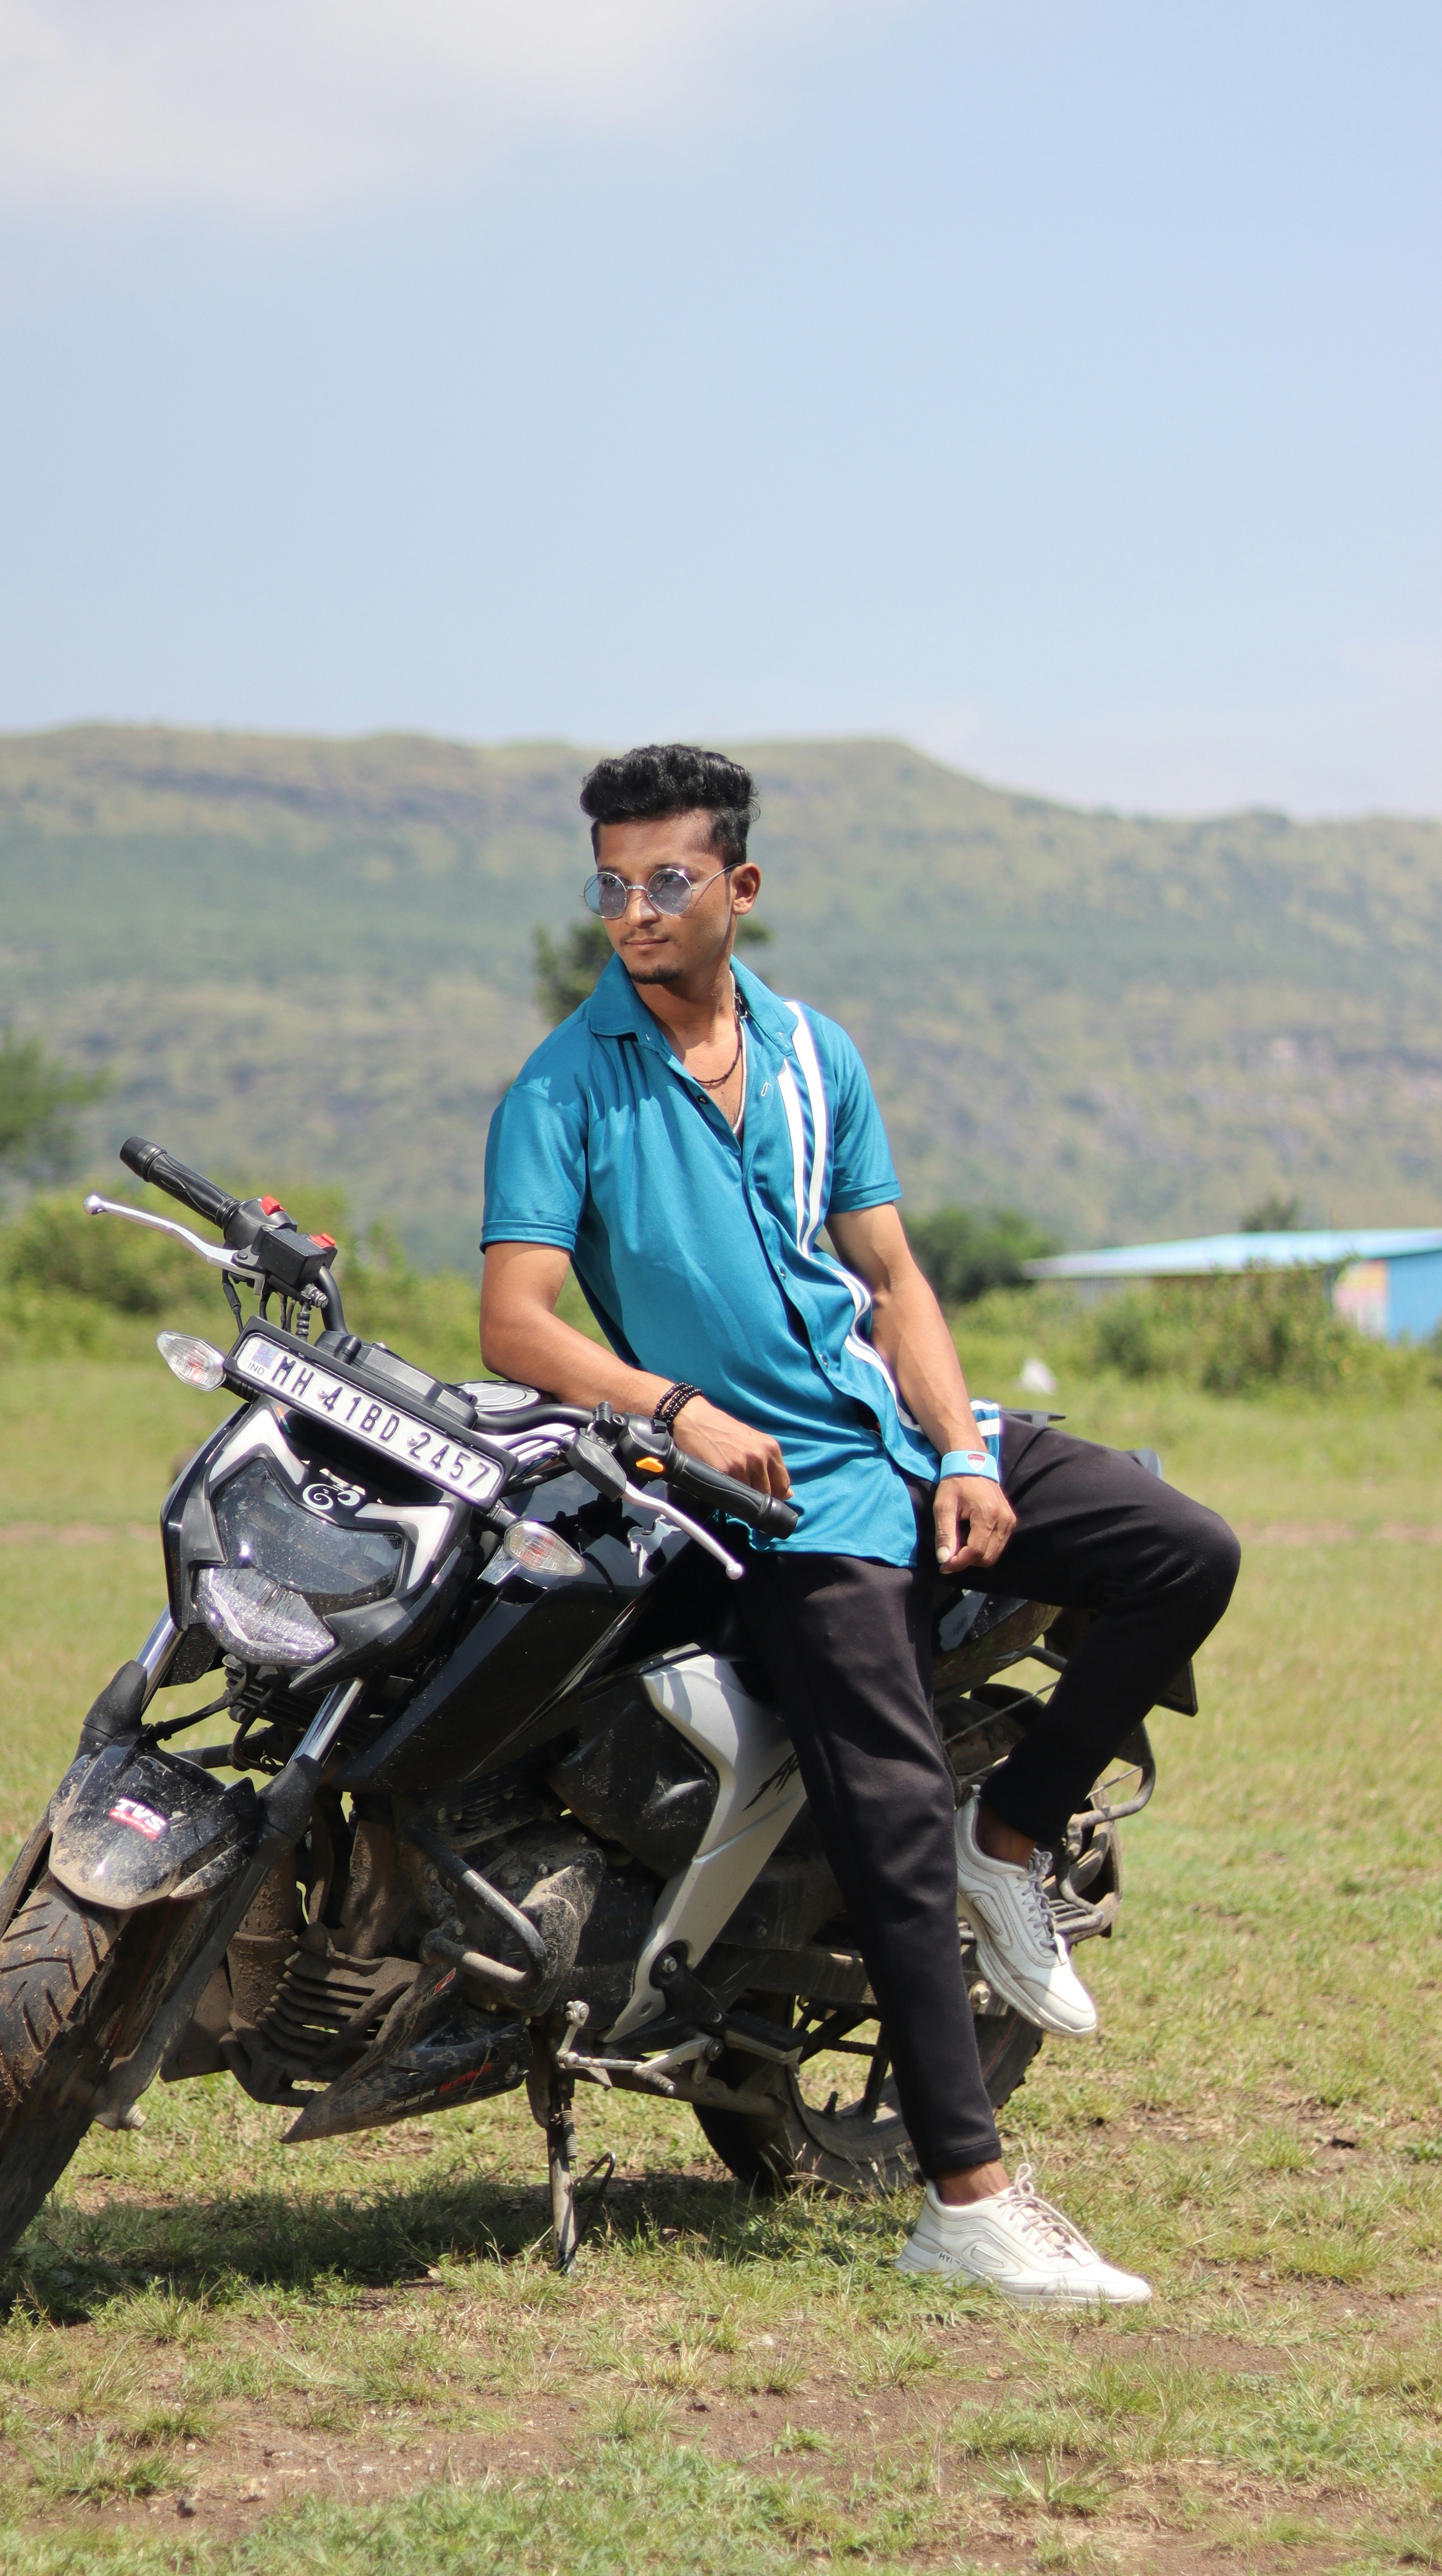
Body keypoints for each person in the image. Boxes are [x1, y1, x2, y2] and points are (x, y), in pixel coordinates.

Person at [479, 742, 1240, 2305]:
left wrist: (963, 1451)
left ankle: (1013, 1833)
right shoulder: (564, 1085)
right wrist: (677, 1411)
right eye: (612, 885)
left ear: (739, 888)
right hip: (762, 1501)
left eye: (667, 880)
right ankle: (967, 2199)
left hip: (896, 1439)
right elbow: (516, 1322)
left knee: (1185, 1552)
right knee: (882, 1790)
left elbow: (892, 1284)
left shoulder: (820, 1053)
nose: (634, 911)